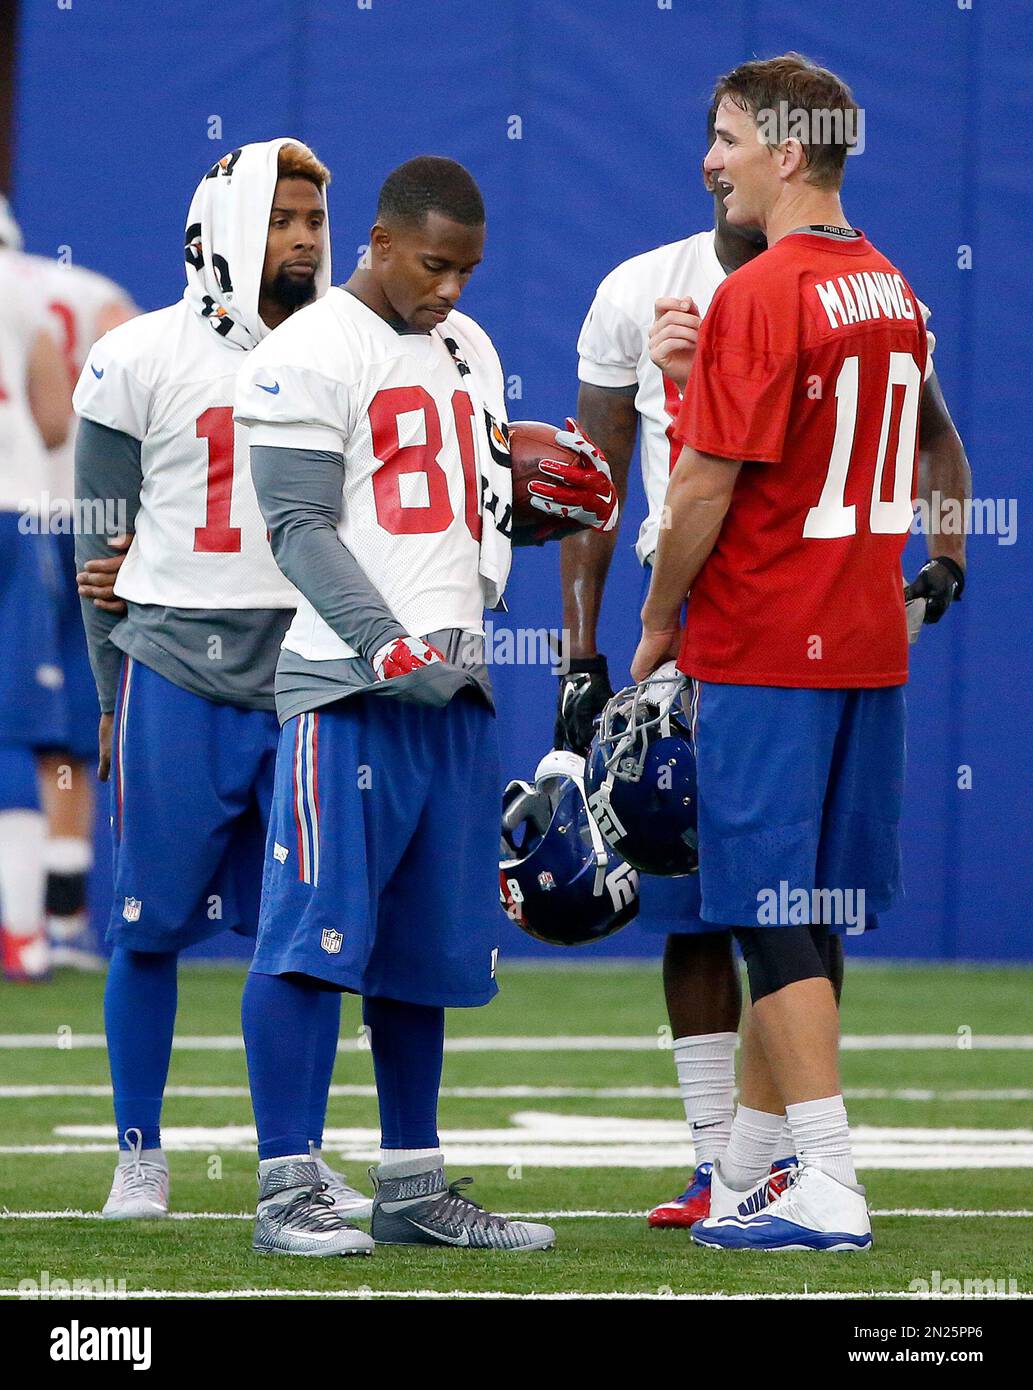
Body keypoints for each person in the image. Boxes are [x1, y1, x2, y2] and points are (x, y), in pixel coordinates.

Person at [562, 103, 969, 1227]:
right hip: (861, 636)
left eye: (730, 140)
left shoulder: (758, 289)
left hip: (761, 634)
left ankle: (828, 1177)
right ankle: (748, 1170)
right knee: (806, 906)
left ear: (786, 152)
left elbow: (702, 485)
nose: (709, 162)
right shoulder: (888, 283)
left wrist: (650, 624)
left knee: (763, 906)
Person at [235, 155, 618, 1256]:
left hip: (454, 681)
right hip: (349, 687)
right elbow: (299, 524)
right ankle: (287, 1190)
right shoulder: (309, 345)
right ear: (381, 241)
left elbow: (464, 510)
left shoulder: (471, 346)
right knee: (311, 939)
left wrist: (524, 516)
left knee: (428, 952)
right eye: (434, 263)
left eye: (469, 268)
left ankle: (410, 1184)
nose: (451, 286)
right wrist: (385, 642)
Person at [73, 139, 367, 1221]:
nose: (304, 239)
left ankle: (293, 1156)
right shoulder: (137, 354)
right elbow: (97, 544)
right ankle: (139, 1150)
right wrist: (109, 696)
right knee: (147, 924)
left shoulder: (351, 349)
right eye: (282, 218)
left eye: (313, 221)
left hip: (306, 671)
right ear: (220, 231)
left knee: (307, 933)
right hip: (175, 667)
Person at [13, 228, 138, 967]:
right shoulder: (90, 290)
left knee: (17, 723)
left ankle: (24, 918)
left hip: (21, 515)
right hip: (81, 517)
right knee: (74, 718)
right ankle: (61, 917)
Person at [0, 198, 72, 981]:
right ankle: (24, 929)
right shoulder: (24, 289)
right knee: (11, 727)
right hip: (15, 509)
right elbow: (54, 420)